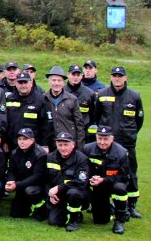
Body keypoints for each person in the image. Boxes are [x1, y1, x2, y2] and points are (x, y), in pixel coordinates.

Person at [95, 66, 144, 219]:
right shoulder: (102, 94)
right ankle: (108, 203)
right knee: (106, 172)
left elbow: (139, 120)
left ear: (125, 78)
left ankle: (131, 205)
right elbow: (97, 117)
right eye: (114, 76)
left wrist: (129, 133)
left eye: (120, 76)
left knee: (130, 173)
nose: (117, 78)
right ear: (111, 77)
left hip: (127, 142)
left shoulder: (134, 96)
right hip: (106, 143)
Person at [82, 126, 131, 234]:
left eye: (105, 139)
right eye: (99, 138)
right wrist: (92, 178)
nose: (102, 142)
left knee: (120, 188)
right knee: (100, 221)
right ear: (96, 137)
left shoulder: (122, 153)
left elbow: (124, 176)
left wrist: (104, 180)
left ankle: (119, 220)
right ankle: (111, 208)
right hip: (97, 185)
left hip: (114, 183)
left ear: (112, 139)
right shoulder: (87, 149)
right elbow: (83, 169)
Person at [45, 132, 90, 232]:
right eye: (60, 145)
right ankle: (68, 212)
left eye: (66, 145)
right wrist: (50, 195)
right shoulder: (50, 157)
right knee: (53, 221)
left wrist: (59, 188)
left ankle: (74, 220)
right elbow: (46, 179)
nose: (63, 148)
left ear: (73, 145)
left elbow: (81, 182)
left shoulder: (82, 159)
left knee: (73, 193)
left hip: (78, 193)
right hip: (58, 196)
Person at [5, 128, 48, 220]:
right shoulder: (14, 153)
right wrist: (10, 181)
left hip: (36, 186)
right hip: (21, 185)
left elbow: (37, 176)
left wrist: (16, 185)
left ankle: (42, 208)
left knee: (31, 191)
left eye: (25, 139)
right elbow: (11, 170)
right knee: (15, 214)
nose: (22, 142)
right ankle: (29, 207)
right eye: (19, 139)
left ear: (32, 140)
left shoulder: (40, 154)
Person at [44, 66, 84, 149]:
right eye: (53, 80)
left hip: (68, 143)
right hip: (50, 144)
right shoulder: (43, 99)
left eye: (59, 80)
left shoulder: (72, 99)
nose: (56, 83)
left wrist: (79, 146)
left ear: (63, 83)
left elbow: (79, 125)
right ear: (49, 82)